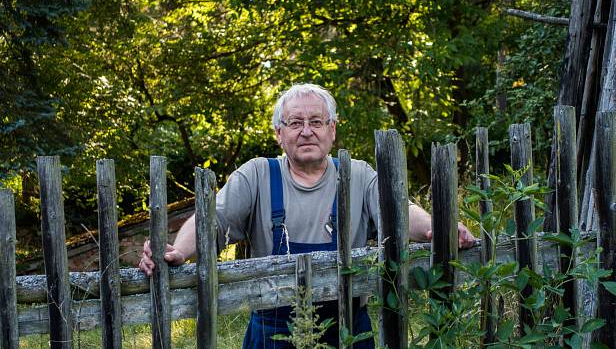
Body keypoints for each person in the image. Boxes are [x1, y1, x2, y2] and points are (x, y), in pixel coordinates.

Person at [139, 83, 475, 348]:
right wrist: (178, 251)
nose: (306, 131)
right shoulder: (256, 174)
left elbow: (400, 211)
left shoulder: (357, 174)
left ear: (332, 129)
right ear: (278, 133)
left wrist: (439, 227)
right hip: (272, 330)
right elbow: (212, 219)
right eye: (295, 122)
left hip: (348, 329)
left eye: (316, 122)